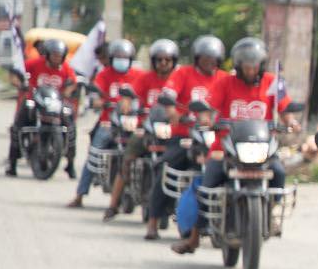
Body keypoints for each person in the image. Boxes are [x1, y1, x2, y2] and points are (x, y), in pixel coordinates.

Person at [171, 37, 298, 254]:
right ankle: (194, 237)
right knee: (208, 183)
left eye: (254, 66)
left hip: (262, 149)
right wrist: (205, 119)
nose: (251, 70)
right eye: (246, 66)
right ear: (238, 66)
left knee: (278, 172)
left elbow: (285, 110)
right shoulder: (225, 83)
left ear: (261, 65)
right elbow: (208, 110)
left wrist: (291, 122)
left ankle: (272, 212)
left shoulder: (271, 82)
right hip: (225, 147)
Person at [103, 38, 179, 220]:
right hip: (146, 128)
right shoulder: (145, 78)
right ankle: (113, 205)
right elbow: (130, 94)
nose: (163, 63)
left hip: (170, 131)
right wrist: (126, 103)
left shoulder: (178, 80)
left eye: (167, 60)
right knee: (127, 159)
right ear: (153, 61)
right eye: (159, 59)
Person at [67, 39, 142, 208]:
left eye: (125, 57)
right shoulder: (104, 75)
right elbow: (95, 98)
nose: (121, 60)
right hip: (108, 123)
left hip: (133, 123)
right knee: (94, 152)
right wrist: (101, 102)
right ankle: (80, 195)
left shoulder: (139, 75)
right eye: (118, 57)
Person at [5, 38, 78, 176]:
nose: (57, 58)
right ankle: (12, 162)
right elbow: (16, 71)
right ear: (48, 54)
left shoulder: (66, 68)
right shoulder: (35, 63)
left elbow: (73, 83)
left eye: (59, 56)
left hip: (56, 104)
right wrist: (20, 84)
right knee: (17, 127)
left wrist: (67, 92)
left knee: (71, 127)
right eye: (54, 55)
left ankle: (70, 164)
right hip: (34, 101)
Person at [149, 98, 216, 241]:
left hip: (214, 138)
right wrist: (176, 115)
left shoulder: (223, 85)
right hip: (182, 137)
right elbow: (170, 100)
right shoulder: (181, 80)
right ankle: (153, 221)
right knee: (165, 169)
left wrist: (211, 119)